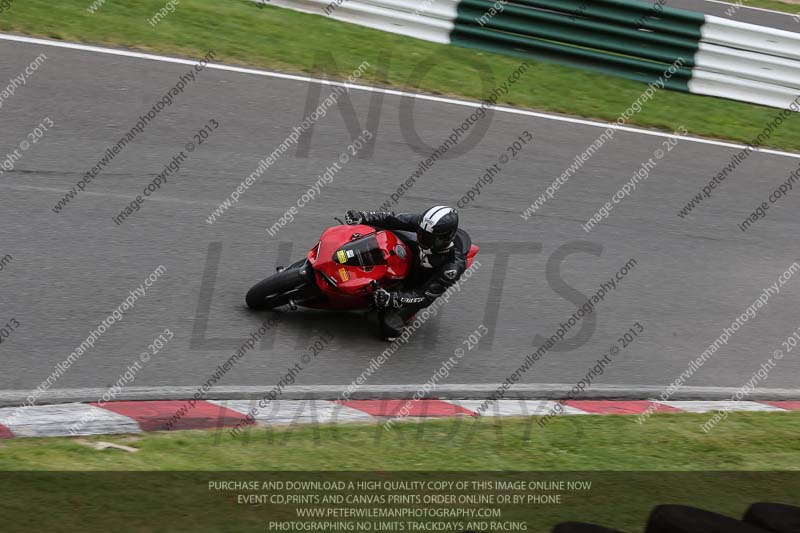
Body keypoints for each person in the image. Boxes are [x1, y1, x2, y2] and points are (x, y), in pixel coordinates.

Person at [344, 205, 467, 340]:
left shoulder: (452, 266)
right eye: (421, 234)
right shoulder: (425, 225)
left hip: (418, 286)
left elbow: (424, 297)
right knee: (376, 230)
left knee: (389, 329)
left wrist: (392, 298)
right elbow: (394, 218)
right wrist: (363, 217)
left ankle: (406, 315)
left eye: (430, 239)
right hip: (413, 259)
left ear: (446, 239)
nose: (422, 240)